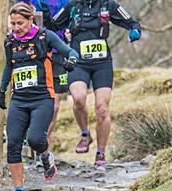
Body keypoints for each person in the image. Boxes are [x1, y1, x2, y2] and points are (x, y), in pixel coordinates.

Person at [40, 0, 142, 165]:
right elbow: (53, 26)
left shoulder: (108, 5)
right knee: (78, 99)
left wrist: (135, 30)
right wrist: (45, 13)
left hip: (102, 64)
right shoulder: (72, 6)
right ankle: (85, 133)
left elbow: (132, 22)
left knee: (102, 109)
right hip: (79, 62)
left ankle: (101, 153)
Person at [0, 2, 79, 191]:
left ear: (30, 20)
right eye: (13, 24)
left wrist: (72, 62)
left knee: (34, 139)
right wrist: (1, 90)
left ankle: (45, 155)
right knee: (13, 142)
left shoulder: (45, 36)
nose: (16, 28)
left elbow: (70, 52)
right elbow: (9, 66)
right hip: (19, 99)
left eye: (20, 24)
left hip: (42, 98)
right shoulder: (10, 42)